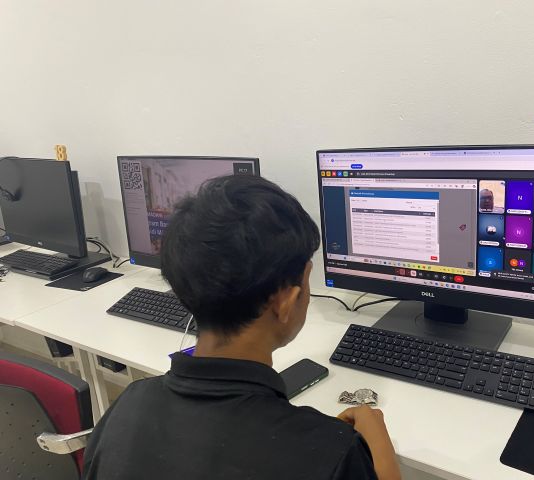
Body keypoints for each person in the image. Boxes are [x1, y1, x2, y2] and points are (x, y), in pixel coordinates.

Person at [82, 175, 400, 480]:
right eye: (307, 279)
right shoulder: (333, 453)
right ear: (285, 302)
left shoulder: (125, 407)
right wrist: (376, 441)